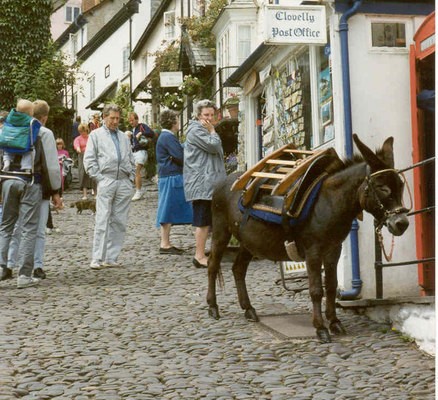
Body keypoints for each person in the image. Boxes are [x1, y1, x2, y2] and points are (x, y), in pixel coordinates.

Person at [0, 99, 63, 288]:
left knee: (6, 226)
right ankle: (24, 275)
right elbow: (52, 166)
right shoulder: (40, 131)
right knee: (29, 229)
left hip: (8, 181)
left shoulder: (5, 129)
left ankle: (2, 267)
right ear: (32, 113)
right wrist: (55, 190)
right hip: (30, 182)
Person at [84, 103, 135, 270]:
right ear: (104, 117)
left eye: (117, 118)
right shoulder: (95, 135)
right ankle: (97, 257)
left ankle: (111, 257)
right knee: (102, 219)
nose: (115, 121)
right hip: (106, 179)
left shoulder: (123, 137)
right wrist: (99, 178)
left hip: (123, 181)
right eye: (112, 118)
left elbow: (130, 158)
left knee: (119, 221)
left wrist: (131, 177)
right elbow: (89, 159)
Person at [183, 99, 226, 268]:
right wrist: (213, 131)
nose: (209, 118)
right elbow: (213, 146)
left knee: (210, 220)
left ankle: (209, 253)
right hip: (202, 183)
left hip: (209, 182)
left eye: (212, 115)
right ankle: (199, 255)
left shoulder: (204, 130)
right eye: (206, 115)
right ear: (198, 116)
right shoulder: (196, 131)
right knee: (202, 221)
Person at [156, 110, 193, 255]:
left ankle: (165, 242)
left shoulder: (166, 137)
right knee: (167, 208)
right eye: (177, 120)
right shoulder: (168, 137)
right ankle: (164, 243)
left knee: (168, 208)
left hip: (169, 175)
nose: (178, 122)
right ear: (172, 122)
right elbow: (180, 156)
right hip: (171, 176)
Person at [127, 111, 155, 201]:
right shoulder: (133, 130)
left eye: (132, 120)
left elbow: (151, 133)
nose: (131, 122)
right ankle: (139, 190)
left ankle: (138, 191)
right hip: (134, 152)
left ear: (137, 119)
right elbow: (134, 142)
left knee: (137, 170)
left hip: (141, 151)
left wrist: (142, 133)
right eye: (130, 121)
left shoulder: (142, 126)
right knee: (134, 172)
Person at [2, 99, 35, 171]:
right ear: (30, 112)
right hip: (22, 144)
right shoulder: (30, 120)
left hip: (9, 141)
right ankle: (26, 166)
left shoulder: (10, 117)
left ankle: (7, 162)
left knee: (7, 151)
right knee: (30, 150)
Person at [74, 123, 95, 199]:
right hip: (82, 156)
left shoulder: (91, 137)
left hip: (91, 156)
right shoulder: (78, 139)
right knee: (83, 174)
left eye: (84, 131)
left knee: (93, 172)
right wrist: (78, 148)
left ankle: (95, 193)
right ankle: (85, 194)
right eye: (81, 132)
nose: (82, 133)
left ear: (87, 130)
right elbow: (76, 145)